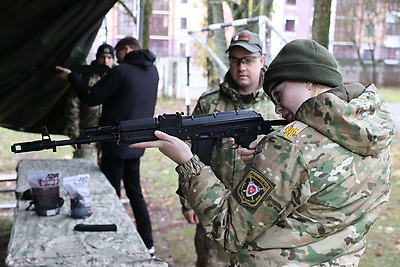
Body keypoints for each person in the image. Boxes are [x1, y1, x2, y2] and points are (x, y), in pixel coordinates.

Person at [131, 39, 395, 265]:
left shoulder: (288, 146)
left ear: (309, 80)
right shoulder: (372, 132)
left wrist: (188, 163)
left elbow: (230, 230)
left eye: (279, 95)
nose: (278, 109)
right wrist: (271, 163)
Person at [180, 30, 279, 266]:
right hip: (214, 206)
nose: (241, 67)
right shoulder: (209, 102)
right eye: (235, 60)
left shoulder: (279, 101)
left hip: (264, 213)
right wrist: (188, 199)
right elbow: (190, 152)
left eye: (248, 60)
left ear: (262, 60)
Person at [56, 37, 159, 257]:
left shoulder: (121, 72)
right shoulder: (153, 72)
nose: (115, 58)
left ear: (127, 49)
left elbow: (91, 97)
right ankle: (148, 244)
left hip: (115, 143)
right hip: (138, 143)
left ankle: (113, 242)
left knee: (110, 195)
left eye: (118, 52)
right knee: (135, 195)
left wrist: (72, 77)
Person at [64, 43, 115, 160]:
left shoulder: (116, 77)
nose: (105, 61)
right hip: (87, 134)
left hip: (109, 135)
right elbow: (73, 107)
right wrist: (74, 135)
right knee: (84, 169)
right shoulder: (85, 77)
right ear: (97, 58)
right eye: (103, 57)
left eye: (109, 58)